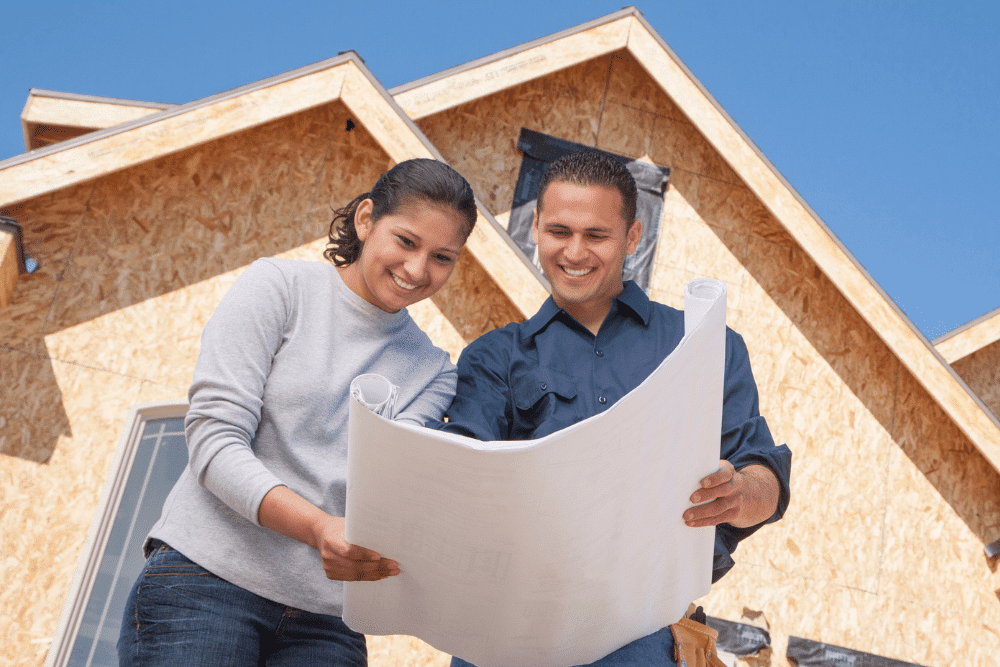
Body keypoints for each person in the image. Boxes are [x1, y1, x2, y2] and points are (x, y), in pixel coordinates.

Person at [118, 158, 479, 667]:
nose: (418, 270)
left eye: (442, 257)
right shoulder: (279, 289)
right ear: (366, 219)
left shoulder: (433, 371)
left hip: (326, 621)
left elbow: (385, 492)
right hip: (204, 581)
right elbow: (214, 441)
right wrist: (316, 528)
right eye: (406, 241)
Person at [438, 150, 792, 667]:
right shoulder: (496, 356)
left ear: (632, 237)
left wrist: (739, 492)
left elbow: (764, 474)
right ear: (534, 227)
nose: (575, 252)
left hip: (645, 632)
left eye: (596, 235)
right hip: (509, 627)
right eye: (559, 231)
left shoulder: (702, 346)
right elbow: (459, 474)